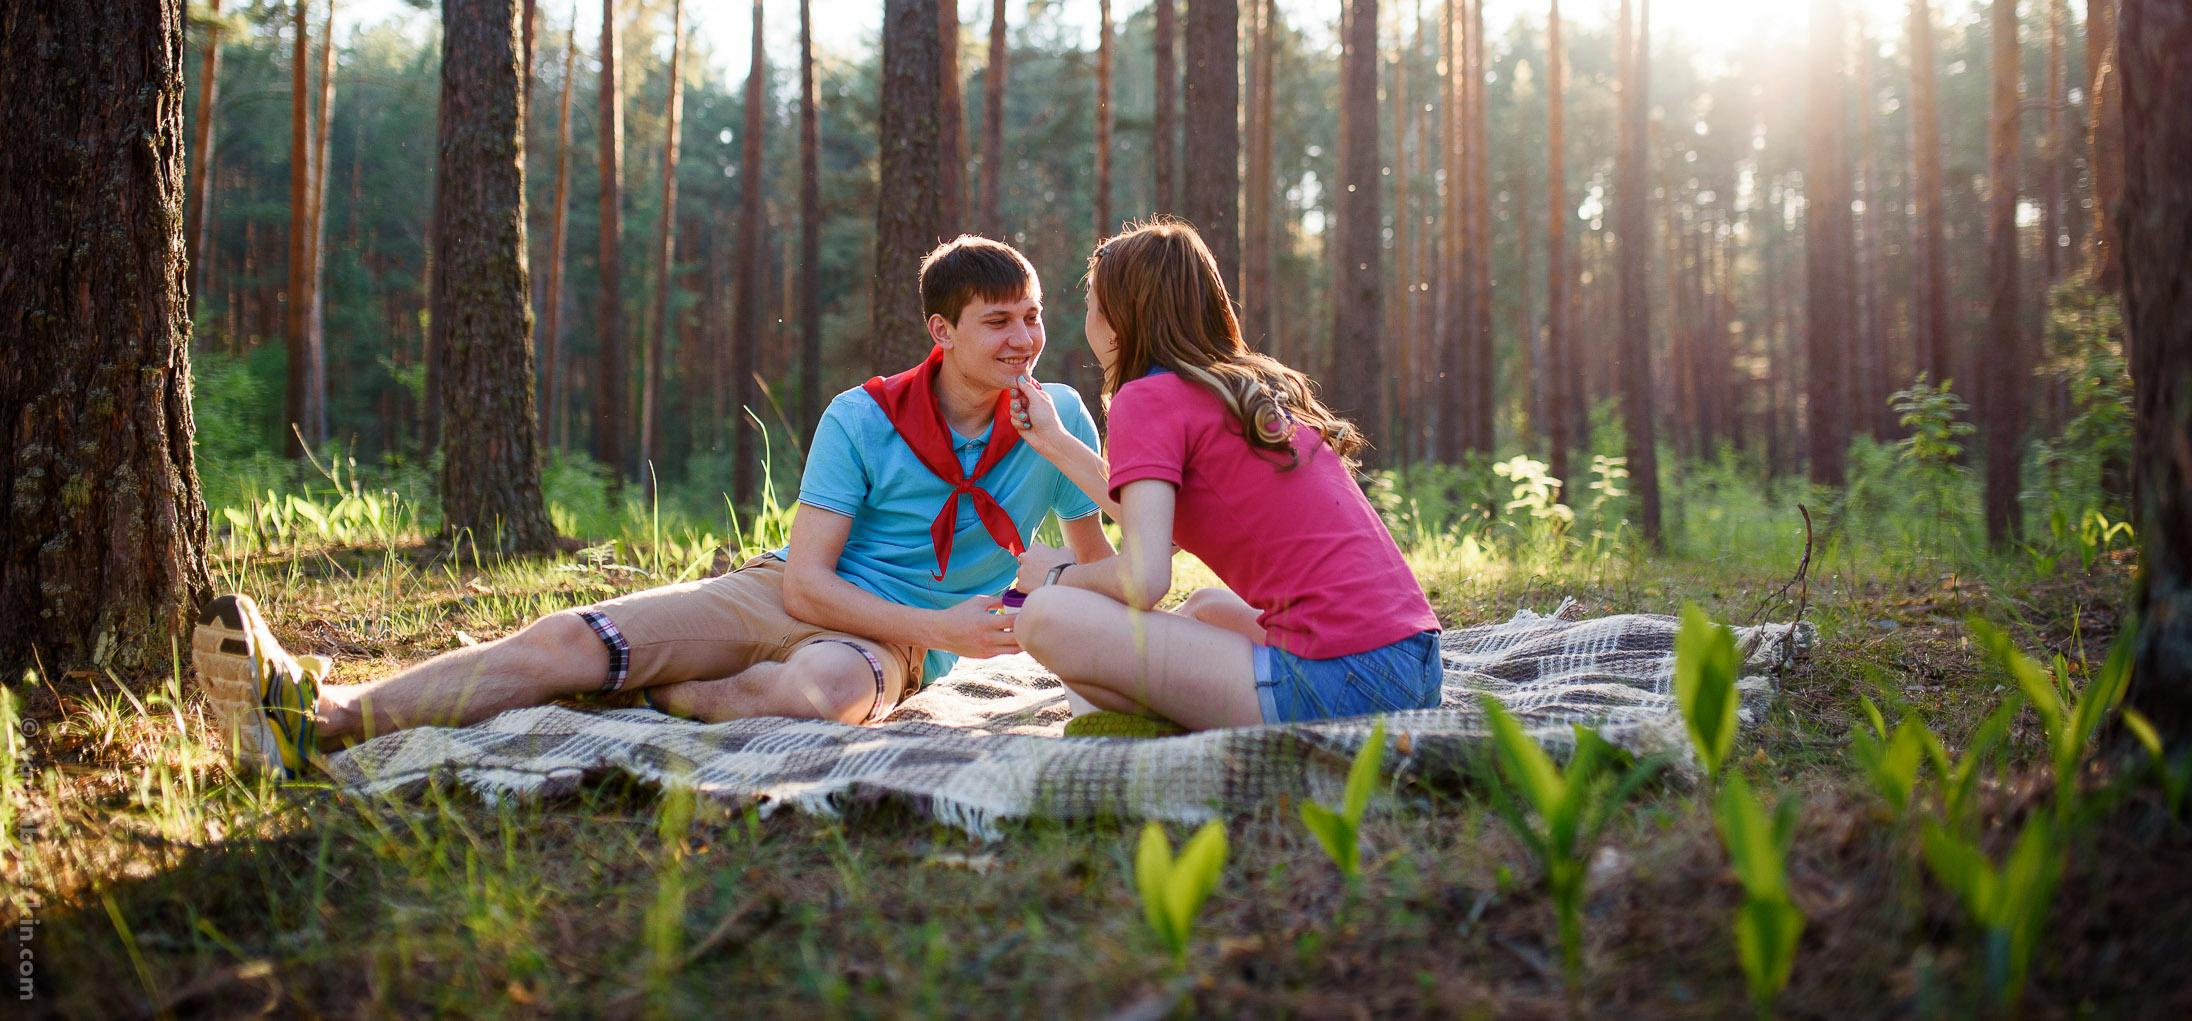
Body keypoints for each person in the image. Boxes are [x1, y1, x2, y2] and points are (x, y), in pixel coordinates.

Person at [194, 236, 1108, 778]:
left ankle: (671, 690)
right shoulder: (863, 415)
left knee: (823, 694)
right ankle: (319, 716)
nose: (1025, 338)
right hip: (787, 595)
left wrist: (1046, 583)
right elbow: (805, 583)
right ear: (942, 331)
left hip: (890, 648)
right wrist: (943, 620)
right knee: (566, 639)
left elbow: (1106, 559)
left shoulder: (1058, 415)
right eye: (999, 320)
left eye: (1031, 316)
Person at [1006, 218, 1443, 730]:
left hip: (1344, 684)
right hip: (1411, 665)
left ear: (1118, 321)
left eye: (1090, 305)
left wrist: (1056, 577)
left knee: (1046, 616)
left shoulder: (1144, 399)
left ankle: (1142, 726)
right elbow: (1163, 525)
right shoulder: (1235, 389)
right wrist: (1055, 442)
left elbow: (1145, 579)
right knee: (1204, 609)